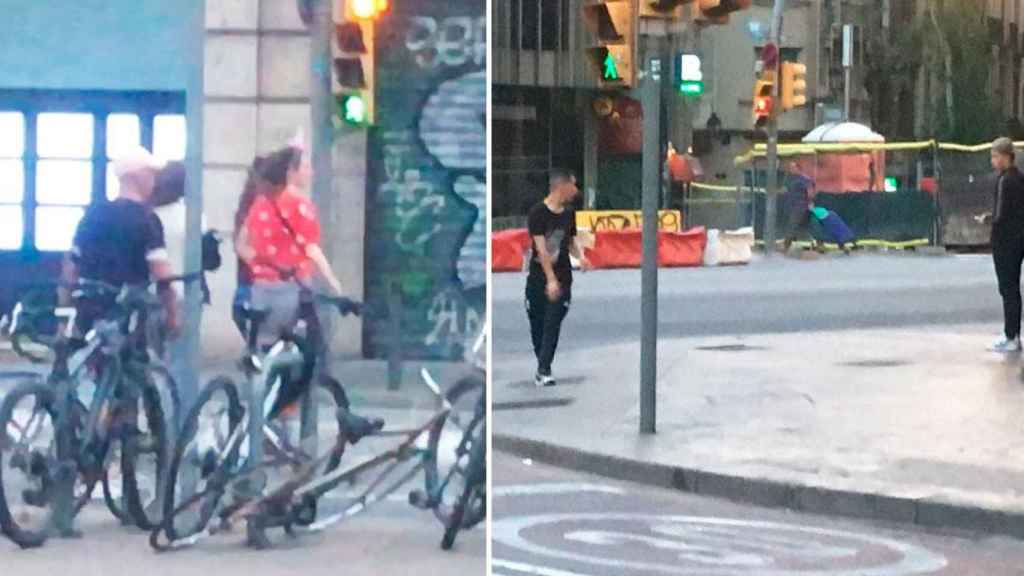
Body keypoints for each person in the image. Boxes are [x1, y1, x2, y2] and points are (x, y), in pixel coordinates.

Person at [240, 143, 382, 438]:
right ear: (291, 172)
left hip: (260, 290)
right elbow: (311, 249)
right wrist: (336, 286)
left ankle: (258, 422)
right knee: (310, 357)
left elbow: (243, 245)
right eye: (305, 166)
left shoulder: (261, 202)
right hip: (291, 294)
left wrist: (266, 264)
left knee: (266, 360)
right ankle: (276, 417)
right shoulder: (299, 205)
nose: (310, 171)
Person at [60, 145, 179, 338]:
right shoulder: (147, 219)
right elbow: (162, 274)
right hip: (128, 315)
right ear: (136, 176)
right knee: (134, 365)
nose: (154, 181)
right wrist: (173, 315)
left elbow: (71, 266)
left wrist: (64, 313)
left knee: (86, 360)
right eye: (150, 174)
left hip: (89, 309)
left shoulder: (93, 215)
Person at [526, 169, 591, 387]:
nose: (576, 190)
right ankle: (542, 363)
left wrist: (581, 257)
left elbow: (570, 240)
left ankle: (543, 369)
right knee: (537, 323)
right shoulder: (537, 213)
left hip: (563, 276)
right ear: (561, 186)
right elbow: (541, 249)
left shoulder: (568, 213)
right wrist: (549, 279)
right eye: (573, 185)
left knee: (553, 322)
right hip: (539, 276)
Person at [978, 137, 1024, 352]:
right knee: (1012, 288)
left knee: (1008, 288)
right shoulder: (1019, 178)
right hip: (1018, 238)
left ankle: (1011, 335)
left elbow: (1003, 213)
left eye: (995, 156)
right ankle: (1013, 334)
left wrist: (989, 220)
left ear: (1006, 157)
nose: (993, 161)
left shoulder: (1005, 180)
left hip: (1006, 241)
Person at [783, 162, 816, 253]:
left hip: (801, 207)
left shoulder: (805, 179)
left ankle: (786, 247)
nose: (791, 170)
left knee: (792, 225)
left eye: (793, 168)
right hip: (791, 206)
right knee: (794, 225)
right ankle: (794, 244)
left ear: (798, 168)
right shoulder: (790, 179)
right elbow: (786, 190)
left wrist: (810, 202)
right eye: (790, 168)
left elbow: (810, 192)